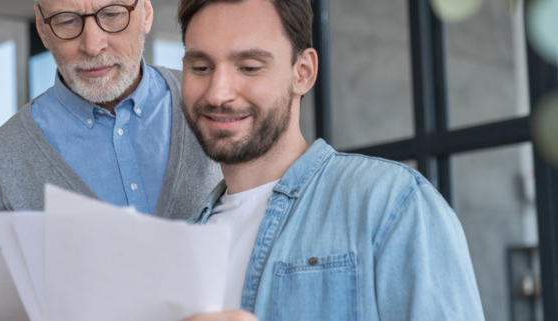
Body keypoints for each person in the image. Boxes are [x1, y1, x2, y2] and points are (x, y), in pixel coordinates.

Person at [0, 0, 221, 320]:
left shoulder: (224, 108)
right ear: (43, 29)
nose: (93, 45)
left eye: (112, 14)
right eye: (67, 21)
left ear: (147, 14)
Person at [176, 0, 485, 320]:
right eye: (201, 68)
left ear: (303, 72)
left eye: (250, 67)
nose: (217, 94)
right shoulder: (182, 247)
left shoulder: (391, 203)